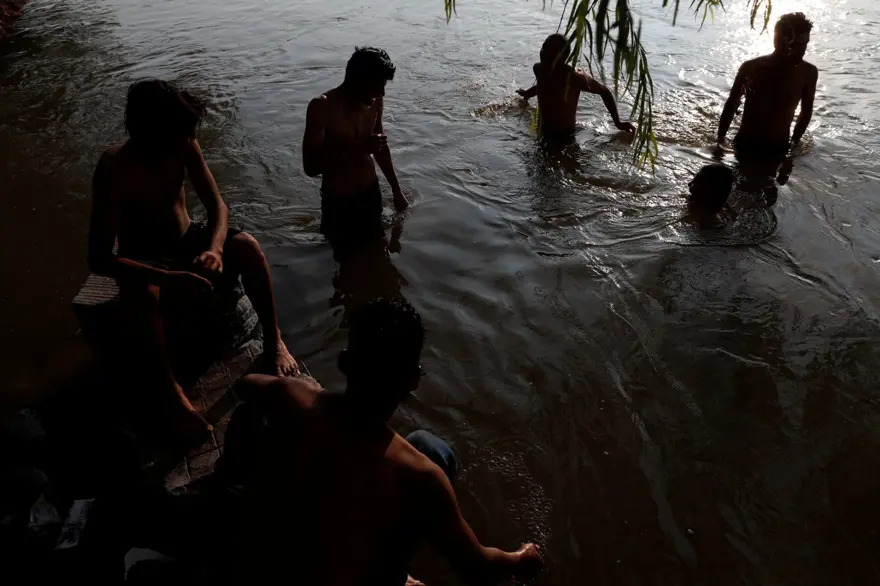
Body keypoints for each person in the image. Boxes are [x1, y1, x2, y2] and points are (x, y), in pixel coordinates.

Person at [230, 299, 544, 585]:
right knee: (435, 451)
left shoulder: (292, 396)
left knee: (252, 417)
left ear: (344, 362)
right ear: (413, 382)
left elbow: (245, 386)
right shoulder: (420, 476)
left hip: (267, 556)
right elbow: (476, 566)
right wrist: (521, 557)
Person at [88, 80, 299, 437]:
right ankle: (174, 397)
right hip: (147, 256)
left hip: (190, 239)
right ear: (146, 130)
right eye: (175, 133)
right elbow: (98, 259)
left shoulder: (184, 143)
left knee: (247, 245)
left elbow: (217, 205)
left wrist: (214, 249)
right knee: (144, 296)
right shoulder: (114, 167)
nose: (184, 140)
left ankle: (274, 338)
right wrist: (165, 278)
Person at [303, 47, 409, 254]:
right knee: (342, 262)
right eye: (378, 86)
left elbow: (379, 146)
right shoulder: (321, 107)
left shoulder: (375, 100)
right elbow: (310, 167)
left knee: (379, 254)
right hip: (338, 202)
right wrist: (358, 148)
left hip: (371, 195)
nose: (382, 93)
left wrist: (396, 189)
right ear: (359, 80)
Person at [716, 12, 817, 156]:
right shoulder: (752, 68)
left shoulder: (808, 73)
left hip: (779, 148)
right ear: (781, 41)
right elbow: (732, 102)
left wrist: (794, 143)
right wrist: (720, 139)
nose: (803, 51)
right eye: (797, 45)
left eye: (806, 44)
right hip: (745, 145)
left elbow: (806, 111)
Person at [517, 33, 636, 139]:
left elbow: (604, 91)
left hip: (566, 135)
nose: (544, 54)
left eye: (552, 52)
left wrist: (618, 123)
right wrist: (527, 93)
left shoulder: (575, 77)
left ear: (563, 57)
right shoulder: (539, 69)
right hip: (543, 132)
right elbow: (545, 87)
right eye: (544, 48)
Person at [683, 163, 736, 229]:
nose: (689, 184)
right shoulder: (724, 209)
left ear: (704, 191)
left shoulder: (706, 226)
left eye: (695, 182)